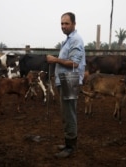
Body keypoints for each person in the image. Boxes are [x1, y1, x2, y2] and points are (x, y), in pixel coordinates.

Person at [47, 12, 86, 158]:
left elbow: (74, 63)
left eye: (66, 23)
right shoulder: (69, 40)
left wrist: (55, 60)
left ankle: (70, 147)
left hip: (70, 79)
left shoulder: (76, 40)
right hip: (65, 79)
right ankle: (68, 143)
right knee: (66, 113)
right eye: (62, 24)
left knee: (69, 114)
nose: (63, 26)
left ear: (74, 24)